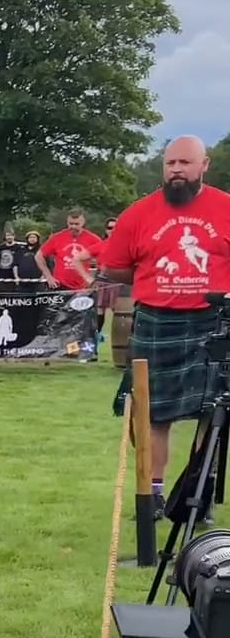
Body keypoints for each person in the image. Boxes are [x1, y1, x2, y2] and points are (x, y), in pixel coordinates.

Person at [101, 136, 230, 506]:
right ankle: (153, 494)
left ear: (203, 165)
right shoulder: (138, 214)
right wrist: (153, 281)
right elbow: (114, 267)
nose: (176, 170)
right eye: (171, 163)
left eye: (185, 163)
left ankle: (198, 488)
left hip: (214, 321)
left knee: (215, 410)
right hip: (158, 322)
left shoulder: (225, 207)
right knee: (153, 413)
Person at [37, 208, 102, 290]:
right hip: (60, 285)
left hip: (82, 287)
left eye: (76, 224)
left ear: (83, 223)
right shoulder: (57, 237)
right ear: (67, 222)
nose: (73, 226)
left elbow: (104, 258)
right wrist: (48, 276)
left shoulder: (93, 239)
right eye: (71, 224)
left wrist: (93, 278)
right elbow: (39, 256)